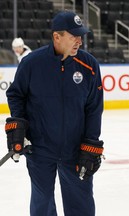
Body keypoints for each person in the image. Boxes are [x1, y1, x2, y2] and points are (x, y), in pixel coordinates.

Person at [5, 11, 104, 216]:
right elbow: (15, 94)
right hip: (39, 148)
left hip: (76, 150)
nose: (79, 41)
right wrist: (18, 124)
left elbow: (94, 107)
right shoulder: (32, 63)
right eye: (73, 36)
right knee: (42, 205)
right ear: (57, 37)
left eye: (80, 36)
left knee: (81, 205)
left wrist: (91, 143)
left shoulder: (89, 66)